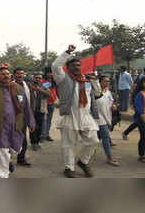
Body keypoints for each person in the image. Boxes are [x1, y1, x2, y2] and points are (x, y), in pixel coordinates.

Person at [52, 45, 100, 178]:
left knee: (94, 140)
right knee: (69, 144)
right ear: (67, 68)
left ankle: (83, 162)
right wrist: (67, 52)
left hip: (85, 116)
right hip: (70, 115)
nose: (77, 67)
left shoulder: (87, 80)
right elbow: (55, 65)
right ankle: (69, 168)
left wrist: (94, 81)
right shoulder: (62, 78)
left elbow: (97, 94)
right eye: (73, 65)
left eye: (78, 65)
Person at [0, 67, 35, 178]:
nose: (6, 75)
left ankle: (8, 162)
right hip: (0, 126)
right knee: (1, 151)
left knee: (16, 148)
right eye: (3, 74)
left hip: (16, 125)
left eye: (7, 73)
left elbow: (25, 106)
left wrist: (31, 121)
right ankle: (3, 175)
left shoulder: (18, 88)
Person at [95, 75, 119, 166]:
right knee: (105, 137)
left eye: (108, 81)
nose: (107, 83)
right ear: (100, 82)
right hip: (98, 118)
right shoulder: (94, 93)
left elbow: (111, 102)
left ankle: (89, 150)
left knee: (96, 138)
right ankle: (110, 157)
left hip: (107, 117)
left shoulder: (108, 92)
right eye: (105, 81)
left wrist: (113, 106)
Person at [14, 68, 34, 167]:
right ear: (14, 75)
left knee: (24, 140)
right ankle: (6, 161)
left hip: (23, 117)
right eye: (18, 74)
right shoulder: (10, 86)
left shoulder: (27, 86)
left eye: (22, 73)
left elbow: (29, 103)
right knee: (11, 140)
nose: (20, 75)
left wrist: (31, 119)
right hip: (12, 118)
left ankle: (21, 159)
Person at [29, 73, 51, 151]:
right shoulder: (29, 86)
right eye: (36, 78)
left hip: (41, 110)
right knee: (33, 127)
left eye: (39, 78)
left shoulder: (44, 86)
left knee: (39, 128)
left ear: (41, 79)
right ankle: (33, 143)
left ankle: (37, 142)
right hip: (32, 110)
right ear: (33, 78)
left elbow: (49, 94)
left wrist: (39, 89)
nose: (38, 79)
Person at [41, 67, 58, 142]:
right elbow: (47, 89)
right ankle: (42, 135)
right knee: (43, 120)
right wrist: (50, 82)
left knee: (49, 120)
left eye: (51, 73)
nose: (50, 74)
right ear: (46, 73)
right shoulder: (43, 81)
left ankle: (47, 134)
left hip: (52, 103)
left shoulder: (54, 81)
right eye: (48, 73)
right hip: (45, 103)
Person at [132, 77, 145, 163]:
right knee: (143, 137)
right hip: (142, 119)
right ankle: (141, 155)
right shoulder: (139, 95)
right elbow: (140, 110)